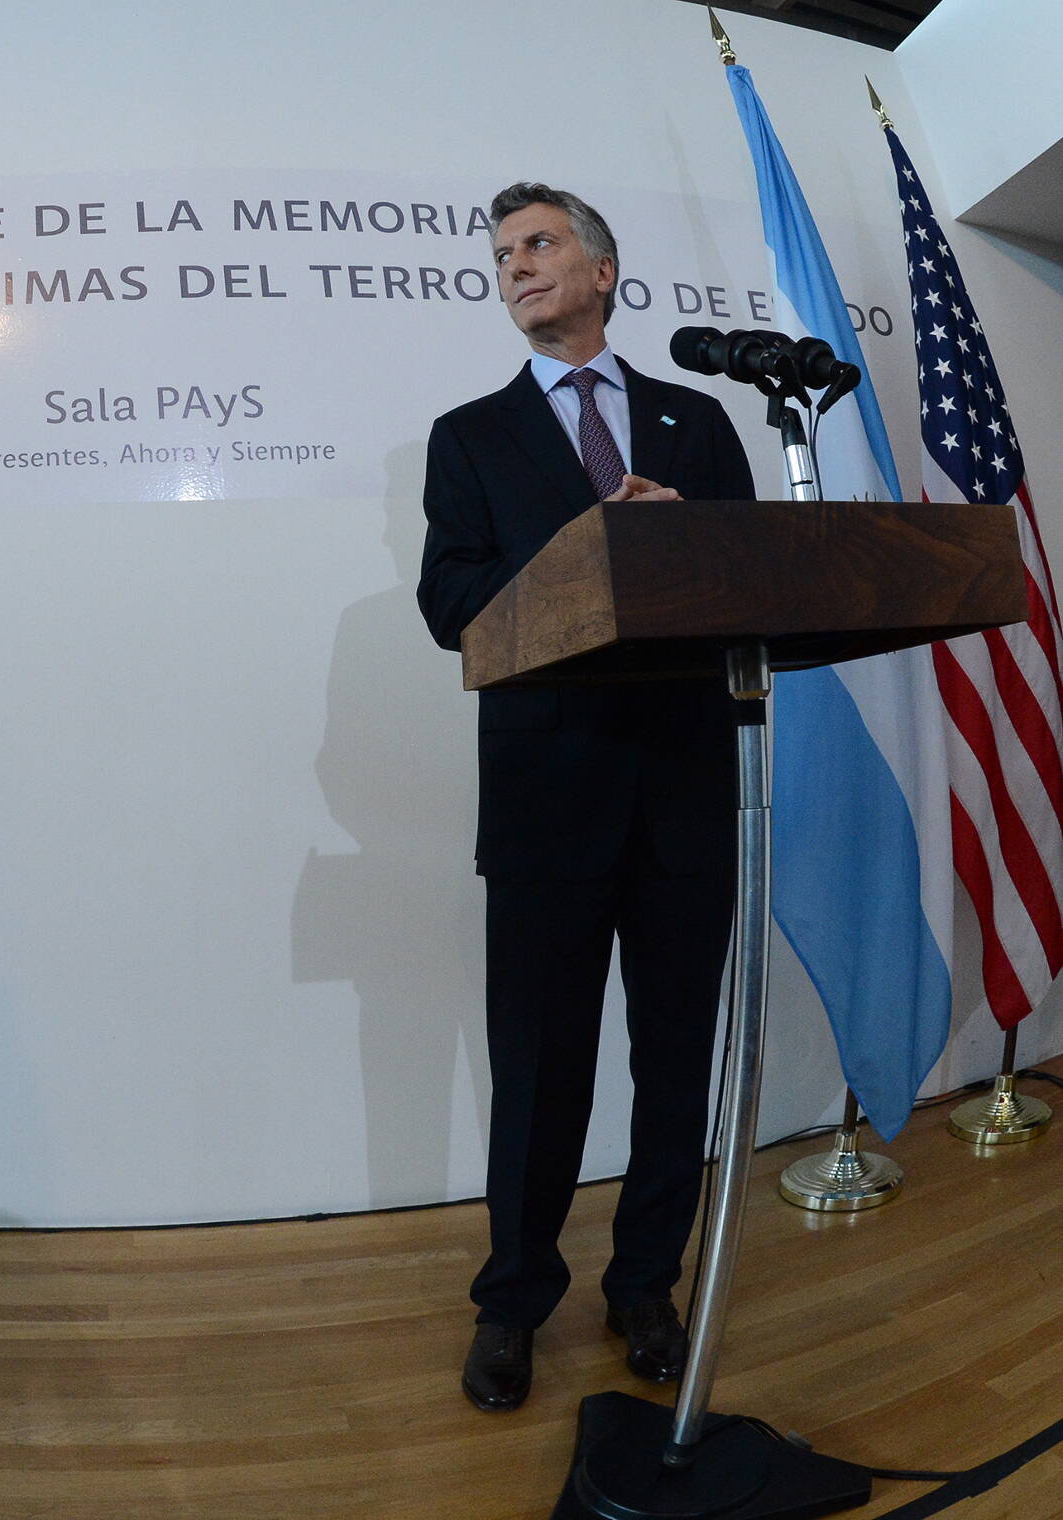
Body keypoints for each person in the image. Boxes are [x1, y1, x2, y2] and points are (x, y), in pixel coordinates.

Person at [416, 183, 754, 1412]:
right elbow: (448, 600)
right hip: (546, 800)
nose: (514, 266)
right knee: (540, 1069)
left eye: (538, 244)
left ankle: (644, 1290)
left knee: (673, 1064)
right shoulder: (469, 437)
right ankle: (512, 1303)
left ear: (603, 272)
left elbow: (748, 576)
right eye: (501, 255)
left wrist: (679, 541)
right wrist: (584, 550)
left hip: (679, 791)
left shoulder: (696, 419)